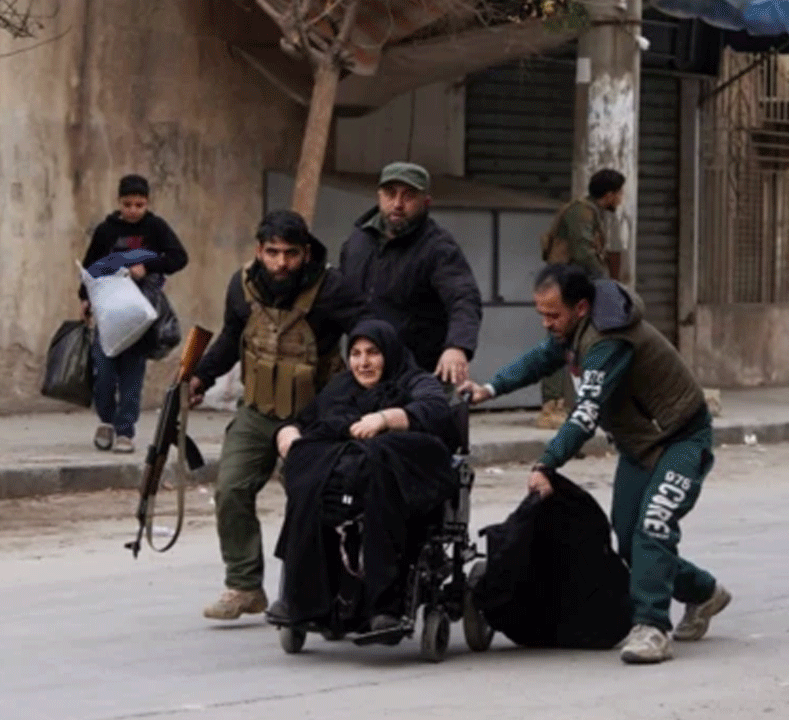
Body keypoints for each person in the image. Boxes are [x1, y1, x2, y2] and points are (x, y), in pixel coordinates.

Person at [459, 264, 731, 665]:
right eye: (541, 315)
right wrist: (490, 388)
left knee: (652, 526)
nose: (547, 323)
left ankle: (652, 628)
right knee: (627, 539)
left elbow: (585, 415)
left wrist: (547, 464)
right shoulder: (571, 332)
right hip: (641, 445)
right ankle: (704, 592)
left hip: (681, 440)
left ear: (581, 307)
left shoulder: (608, 342)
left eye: (553, 315)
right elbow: (539, 359)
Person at [189, 209, 367, 621]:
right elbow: (231, 337)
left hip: (312, 416)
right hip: (257, 410)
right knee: (231, 489)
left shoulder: (331, 288)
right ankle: (244, 585)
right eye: (272, 253)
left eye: (290, 253)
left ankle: (308, 589)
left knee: (309, 500)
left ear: (305, 253)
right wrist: (200, 377)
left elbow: (368, 335)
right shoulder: (243, 285)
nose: (281, 263)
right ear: (259, 250)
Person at [269, 320, 461, 632]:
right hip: (342, 480)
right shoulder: (340, 388)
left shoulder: (415, 381)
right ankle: (301, 600)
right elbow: (306, 420)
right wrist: (287, 434)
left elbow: (435, 411)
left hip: (394, 484)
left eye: (372, 353)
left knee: (379, 461)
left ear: (389, 353)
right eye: (356, 354)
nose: (363, 362)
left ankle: (383, 607)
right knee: (307, 463)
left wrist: (385, 419)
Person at [337, 162, 483, 389]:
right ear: (379, 196)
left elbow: (463, 298)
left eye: (408, 196)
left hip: (418, 375)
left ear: (426, 202)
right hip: (365, 374)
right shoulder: (357, 242)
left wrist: (457, 347)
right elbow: (340, 300)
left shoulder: (438, 248)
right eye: (390, 194)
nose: (397, 204)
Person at [79, 173, 188, 454]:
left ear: (147, 203)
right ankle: (106, 421)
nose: (133, 210)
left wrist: (148, 268)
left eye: (139, 205)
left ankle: (125, 431)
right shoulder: (107, 230)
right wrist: (85, 298)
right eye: (128, 204)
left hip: (140, 315)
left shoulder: (156, 228)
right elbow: (91, 265)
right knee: (103, 371)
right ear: (119, 202)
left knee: (132, 374)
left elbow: (178, 257)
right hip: (109, 310)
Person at [536, 168, 625, 429]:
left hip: (575, 285)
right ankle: (551, 404)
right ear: (609, 195)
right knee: (557, 338)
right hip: (564, 285)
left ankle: (582, 401)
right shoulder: (581, 212)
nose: (620, 199)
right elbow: (584, 251)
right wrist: (606, 284)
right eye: (618, 194)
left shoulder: (593, 213)